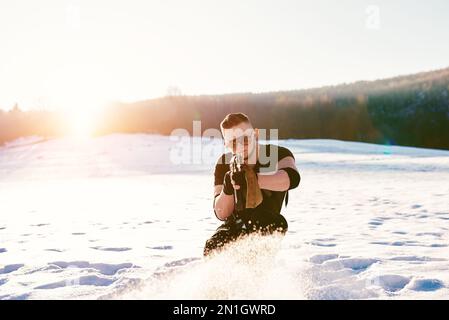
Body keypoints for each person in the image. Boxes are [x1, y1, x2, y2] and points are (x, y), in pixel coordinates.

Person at [203, 113, 300, 256]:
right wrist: (228, 188)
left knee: (260, 233)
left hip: (268, 222)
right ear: (226, 144)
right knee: (212, 248)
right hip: (235, 226)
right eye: (233, 143)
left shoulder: (277, 154)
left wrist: (252, 179)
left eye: (245, 139)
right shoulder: (223, 163)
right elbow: (221, 213)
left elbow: (291, 178)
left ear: (255, 134)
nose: (240, 146)